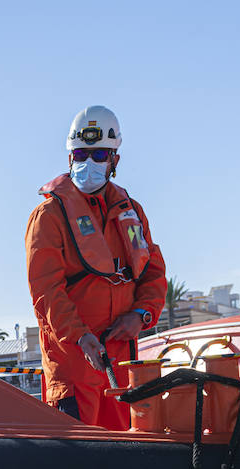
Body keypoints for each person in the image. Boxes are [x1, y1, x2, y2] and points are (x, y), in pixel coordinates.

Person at [25, 105, 166, 429]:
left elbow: (153, 272)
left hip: (123, 367)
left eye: (99, 154)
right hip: (74, 367)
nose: (89, 162)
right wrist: (80, 336)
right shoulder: (49, 216)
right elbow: (46, 291)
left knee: (126, 448)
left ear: (115, 160)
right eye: (81, 154)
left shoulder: (131, 212)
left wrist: (141, 315)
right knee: (78, 456)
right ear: (70, 157)